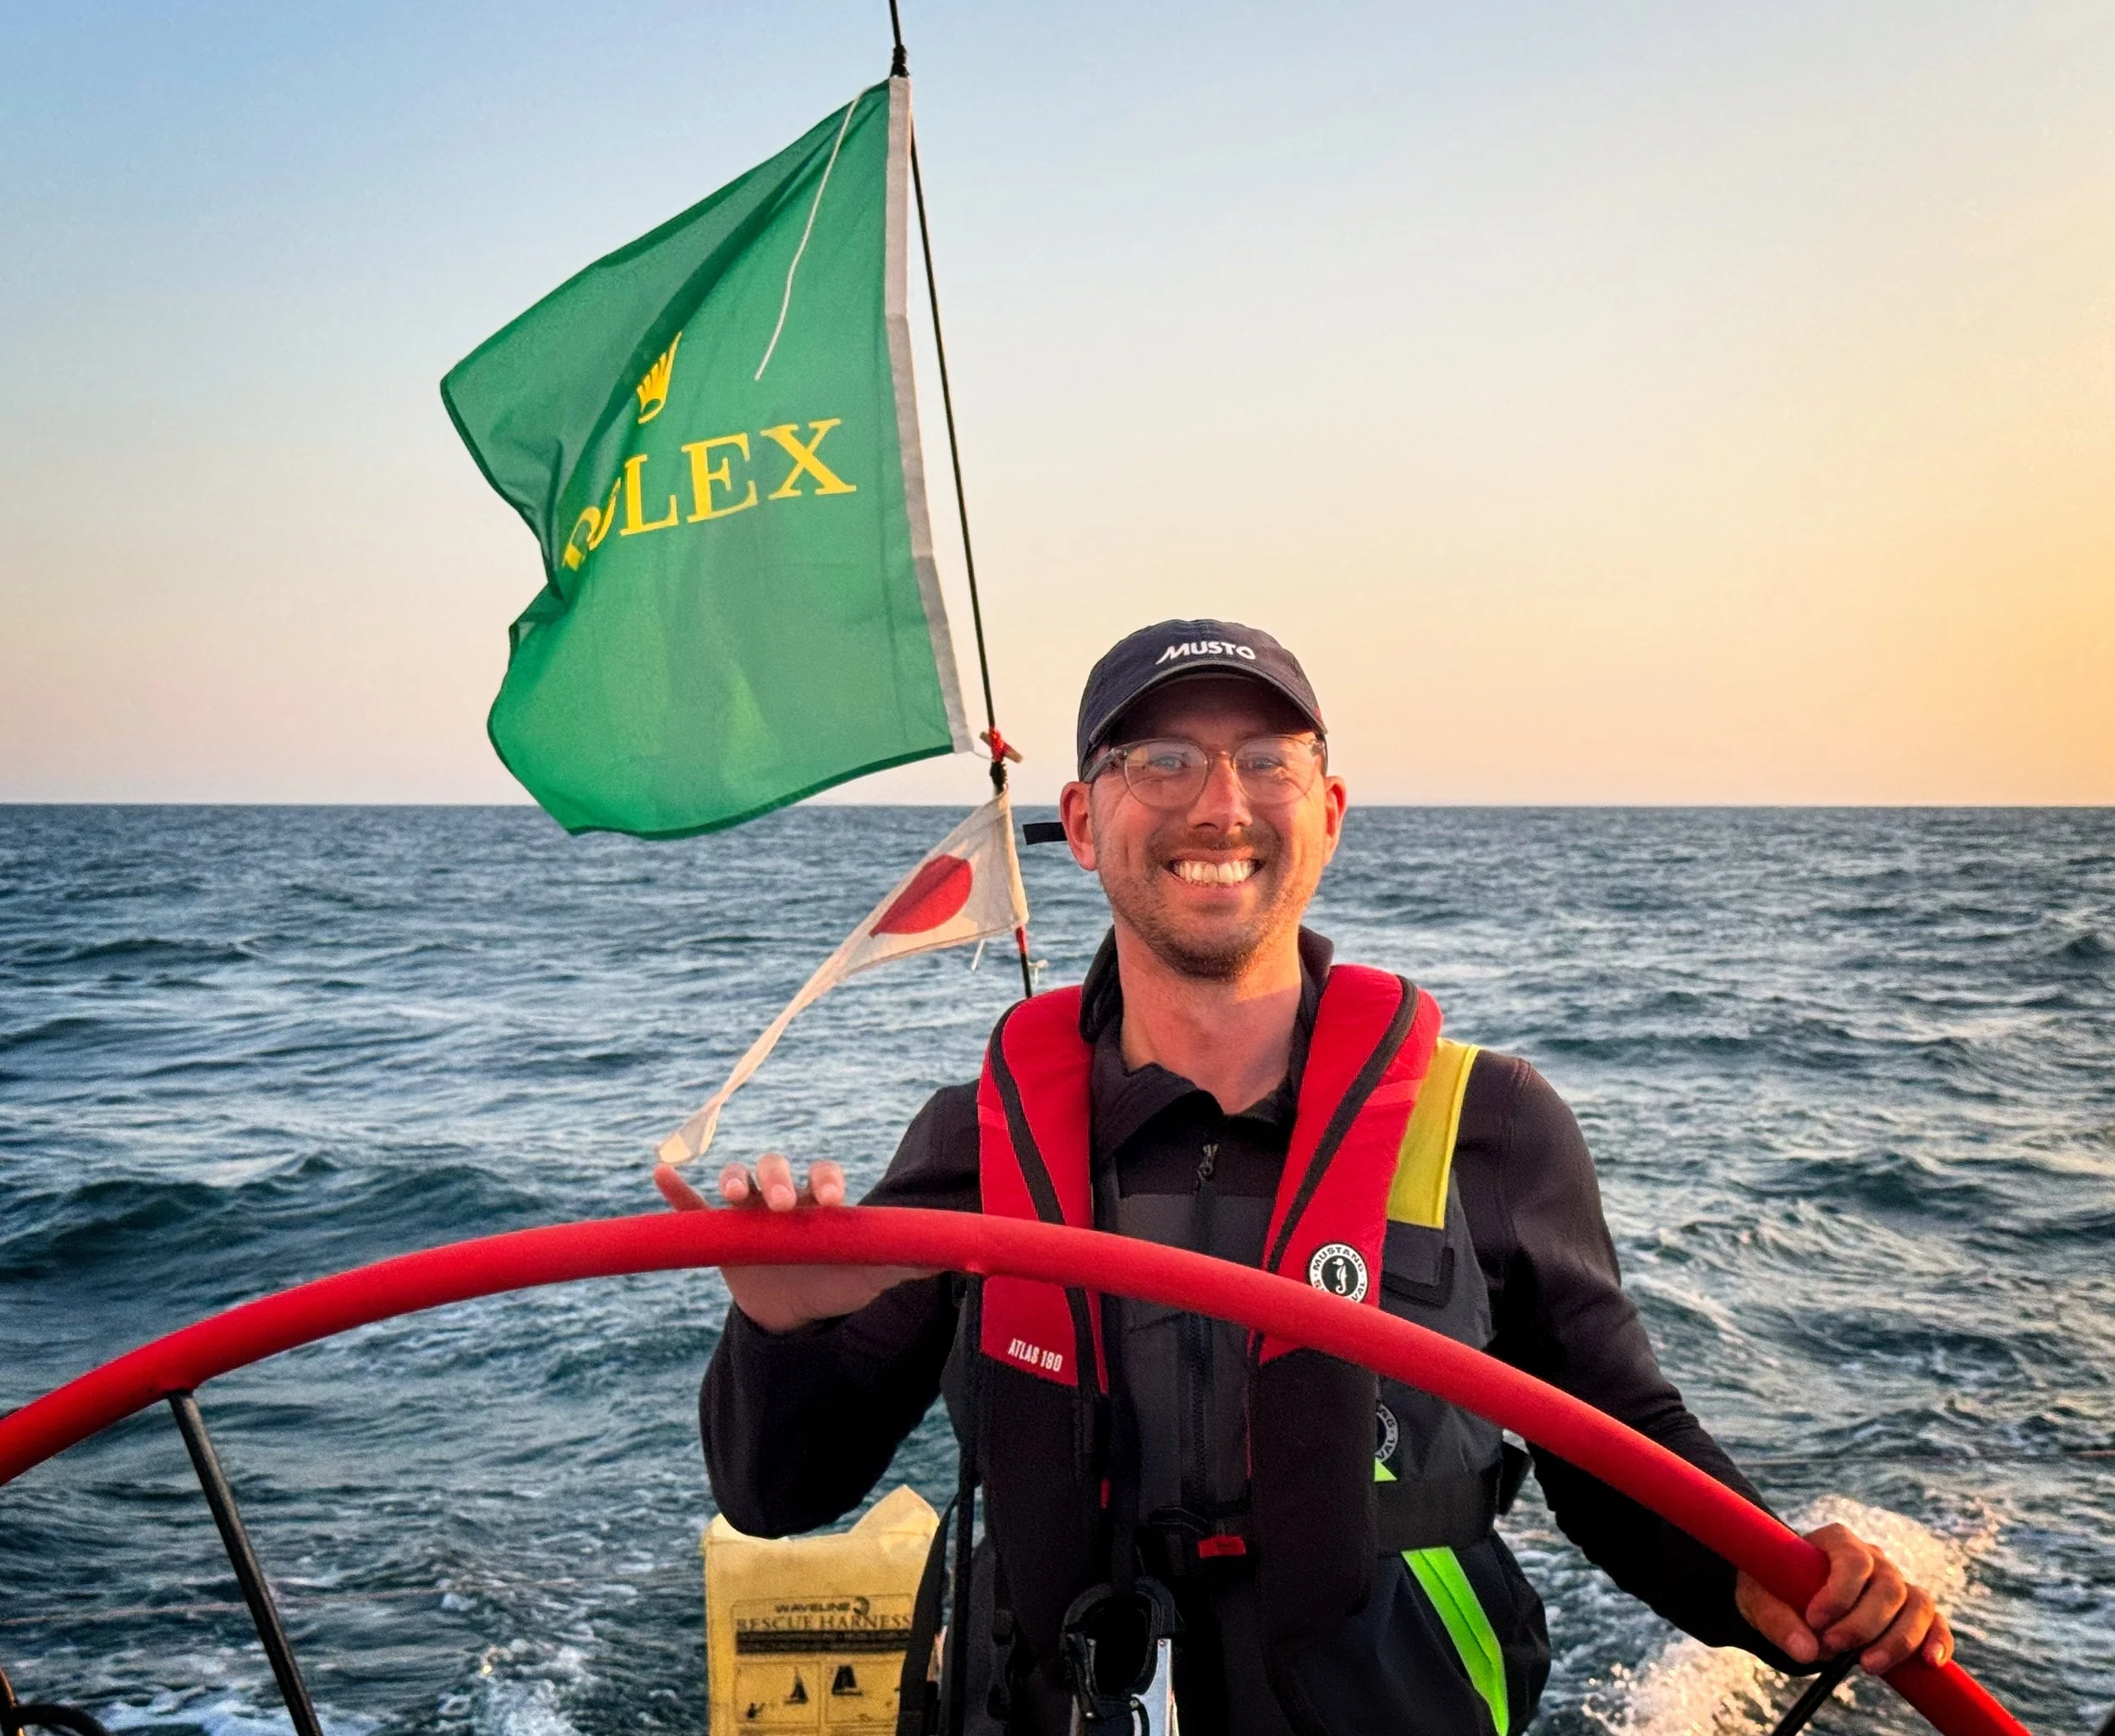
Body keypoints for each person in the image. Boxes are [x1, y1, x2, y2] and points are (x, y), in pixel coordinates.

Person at [699, 619, 1953, 1734]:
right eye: (1163, 762)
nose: (1218, 807)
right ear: (1083, 823)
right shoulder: (980, 1142)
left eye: (1266, 760)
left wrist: (1766, 1577)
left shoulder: (1494, 1127)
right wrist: (777, 1327)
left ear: (1330, 810)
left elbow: (1619, 1447)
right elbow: (774, 1492)